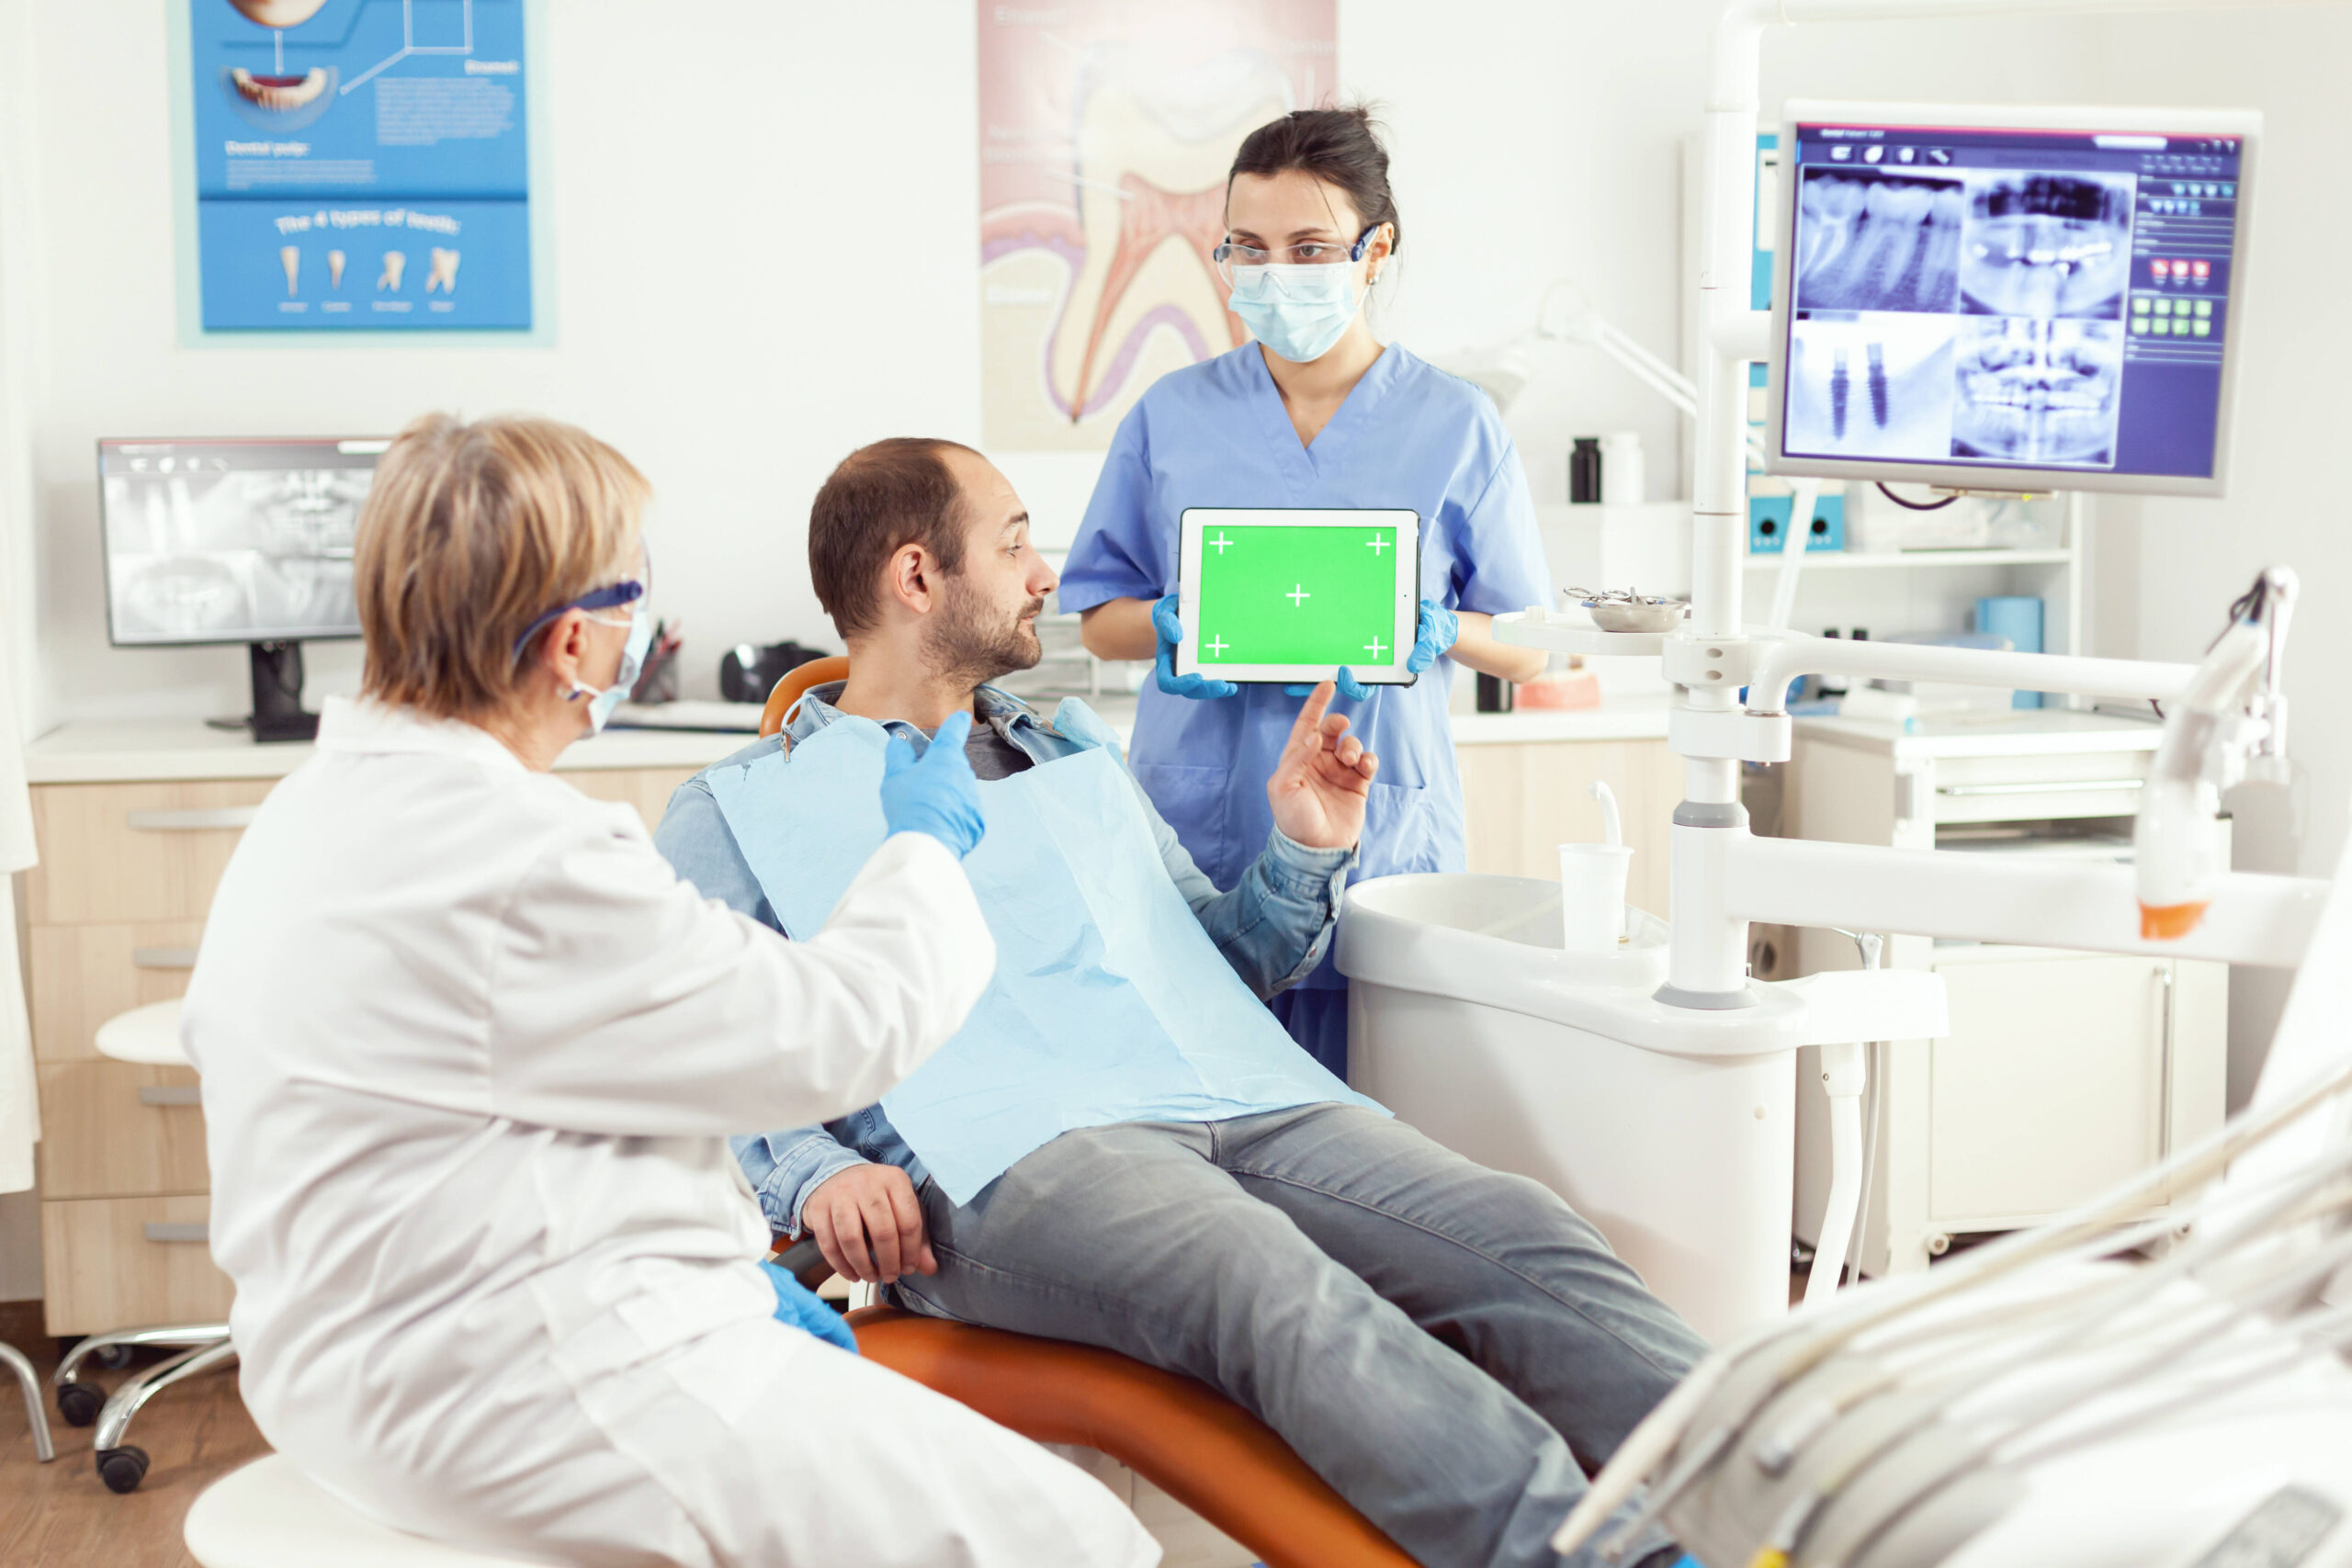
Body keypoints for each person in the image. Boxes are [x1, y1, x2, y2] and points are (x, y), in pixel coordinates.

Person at [656, 437, 1703, 1568]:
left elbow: (1221, 956)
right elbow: (706, 1059)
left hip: (1237, 1095)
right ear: (917, 578)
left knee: (1522, 1234)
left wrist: (1306, 844)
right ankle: (1619, 1562)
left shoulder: (1069, 746)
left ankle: (1817, 1496)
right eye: (1013, 545)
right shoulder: (734, 807)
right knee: (1268, 1284)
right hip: (1010, 1151)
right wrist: (820, 1174)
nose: (1045, 577)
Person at [183, 414, 1157, 1568]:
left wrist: (724, 1265)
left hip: (340, 1365)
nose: (639, 628)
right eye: (631, 593)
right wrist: (927, 850)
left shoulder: (314, 811)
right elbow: (839, 1031)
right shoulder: (521, 856)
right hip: (530, 1388)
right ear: (568, 644)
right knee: (1078, 1539)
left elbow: (529, 1098)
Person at [1058, 107, 1554, 1078]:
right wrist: (1166, 627)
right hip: (1202, 827)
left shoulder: (1457, 425)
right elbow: (1100, 620)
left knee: (1375, 1148)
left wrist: (1442, 629)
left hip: (1379, 828)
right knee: (1204, 1161)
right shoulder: (1172, 416)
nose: (1275, 271)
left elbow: (1529, 645)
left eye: (1309, 246)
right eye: (1248, 245)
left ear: (1376, 252)